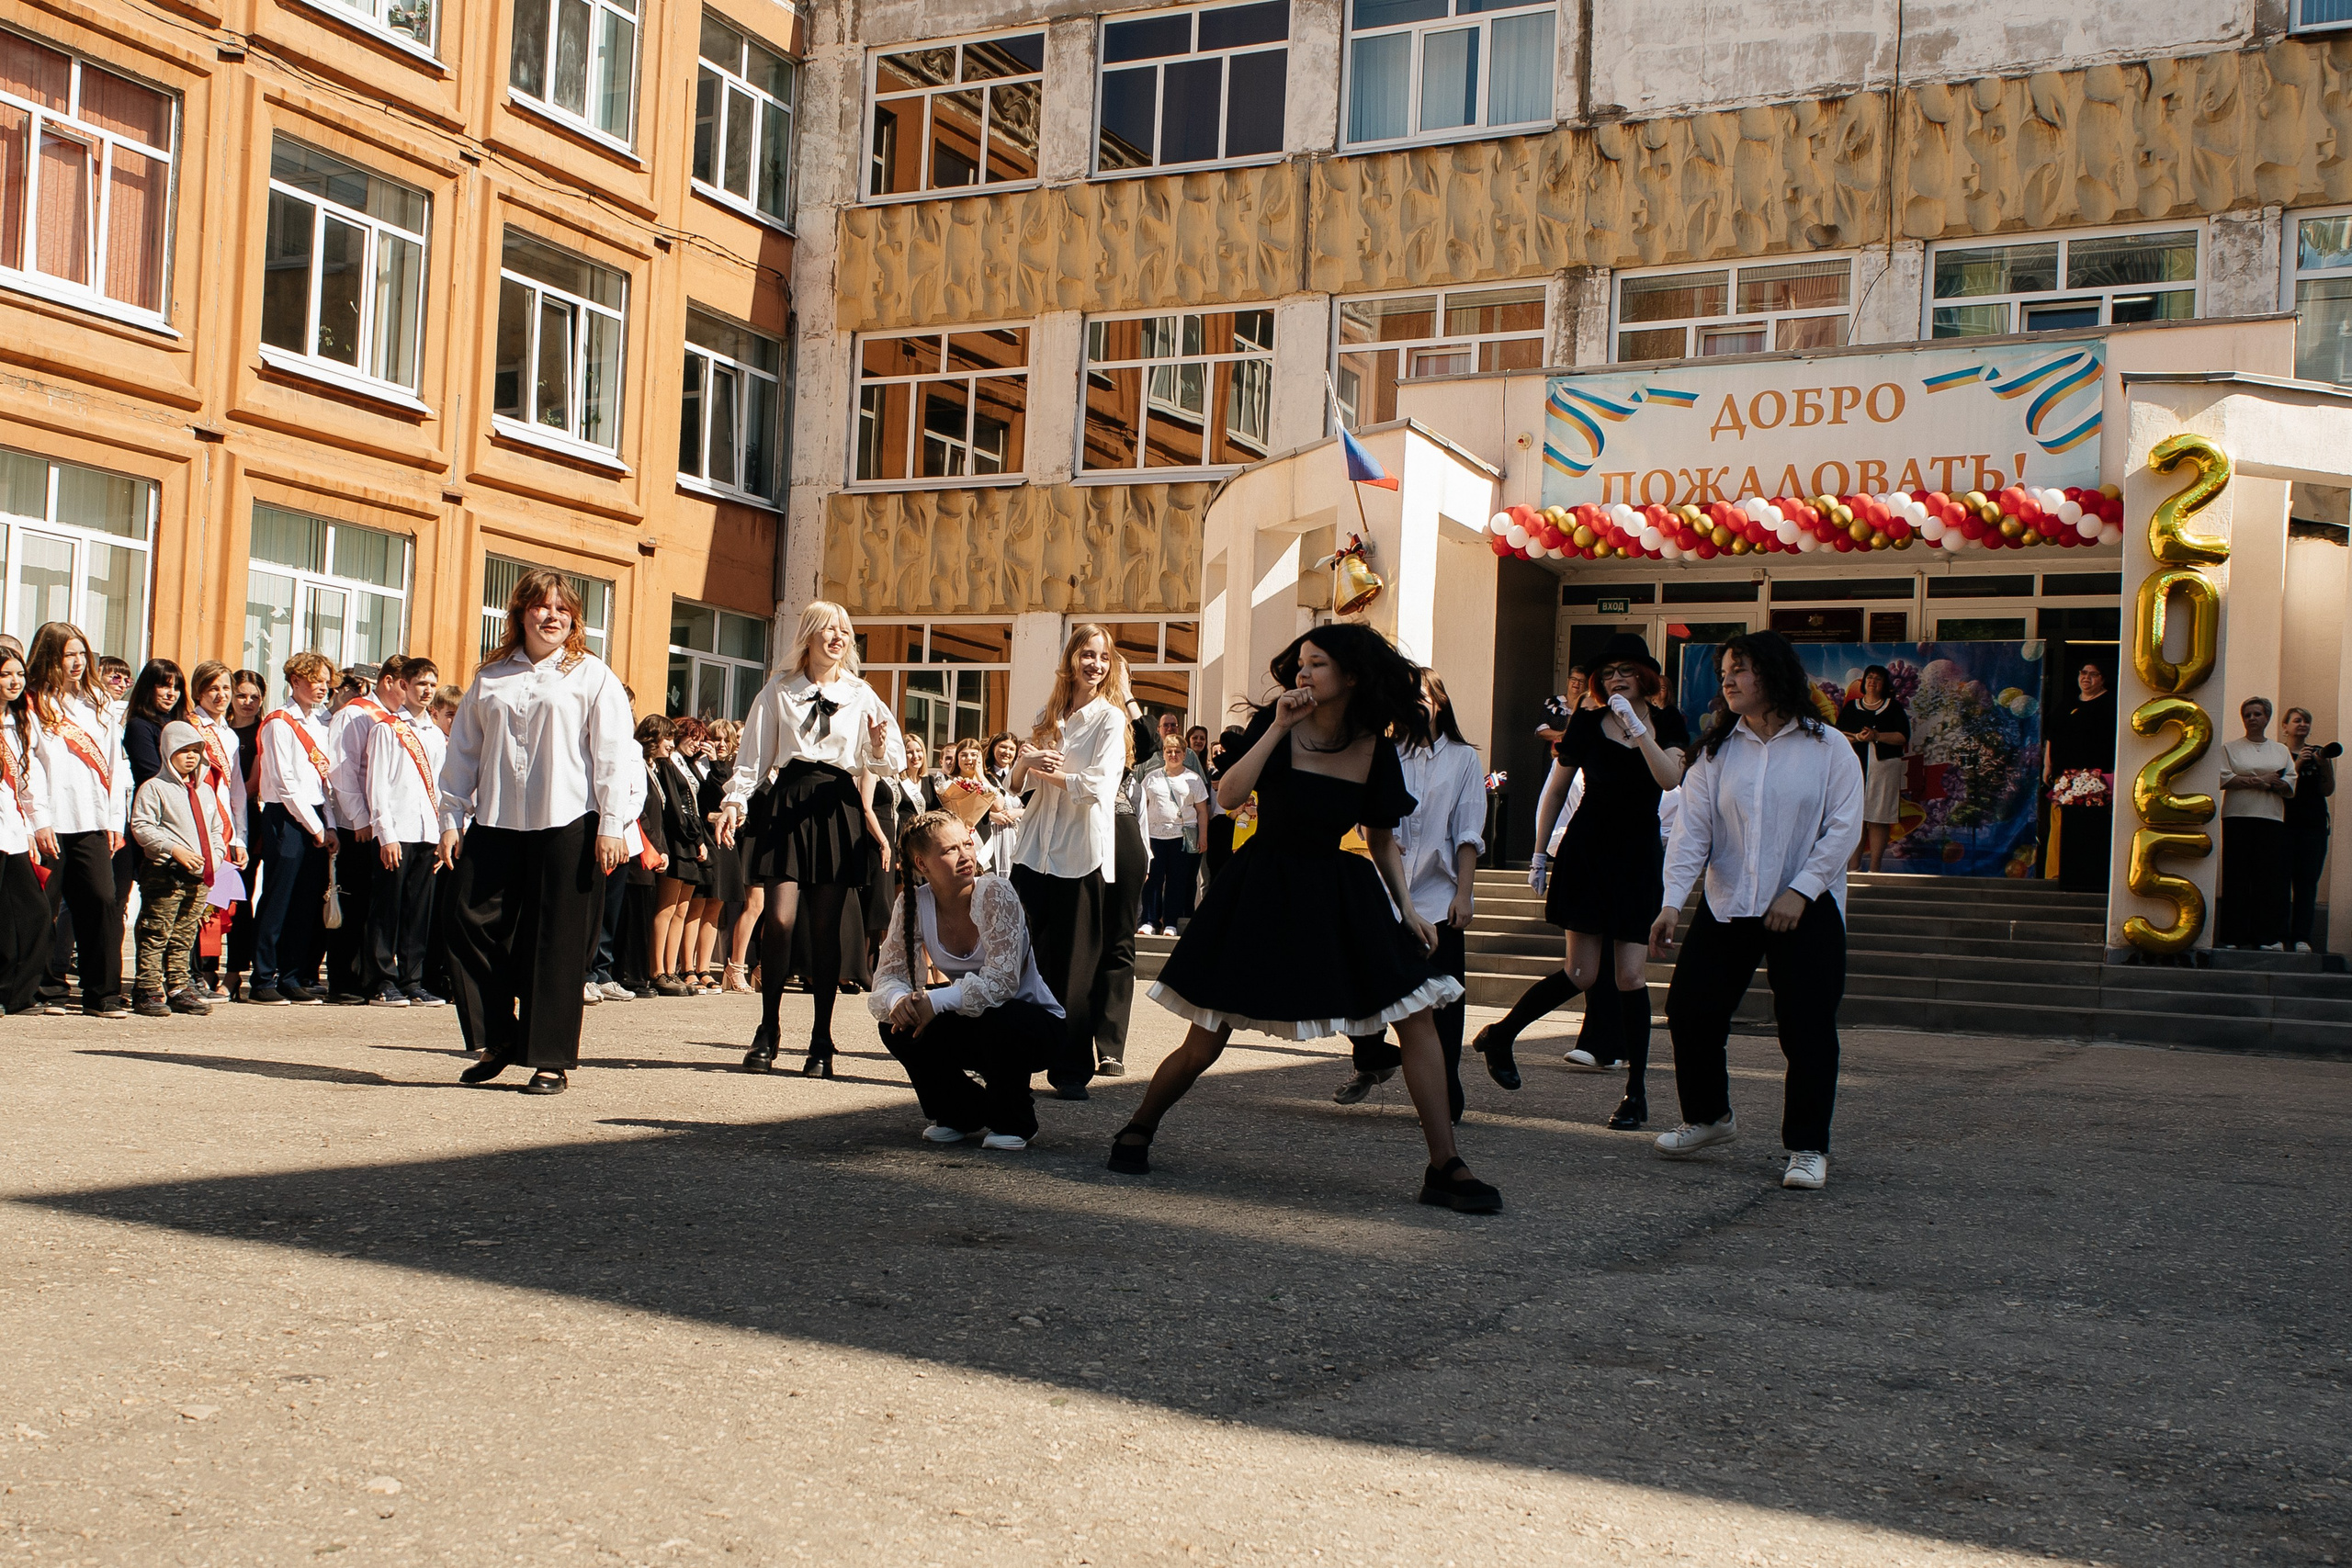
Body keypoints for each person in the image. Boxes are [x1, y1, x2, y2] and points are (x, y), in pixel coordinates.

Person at [1116, 624, 1501, 1214]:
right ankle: (1139, 1125)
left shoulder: (1374, 745)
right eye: (1301, 663)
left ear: (1350, 676)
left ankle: (1445, 1165)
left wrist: (1408, 912)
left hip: (1338, 888)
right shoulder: (1277, 725)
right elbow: (1228, 797)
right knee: (1207, 1036)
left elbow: (1380, 839)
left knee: (1417, 1016)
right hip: (1262, 885)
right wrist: (1278, 726)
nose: (1303, 673)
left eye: (1318, 664)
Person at [1648, 632, 1862, 1191]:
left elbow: (1844, 828)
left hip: (1805, 908)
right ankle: (1710, 1118)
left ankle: (1809, 1147)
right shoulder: (1717, 751)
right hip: (1730, 904)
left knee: (1807, 1028)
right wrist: (1672, 902)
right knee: (1691, 1010)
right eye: (1725, 670)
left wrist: (1803, 889)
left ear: (1771, 674)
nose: (1728, 679)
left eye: (1739, 668)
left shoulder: (1829, 747)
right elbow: (1692, 833)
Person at [443, 569, 642, 1094]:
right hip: (497, 821)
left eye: (562, 609)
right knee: (466, 920)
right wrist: (450, 816)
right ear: (521, 613)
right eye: (541, 606)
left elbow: (614, 756)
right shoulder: (490, 677)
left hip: (569, 823)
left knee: (555, 942)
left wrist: (613, 824)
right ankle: (500, 1038)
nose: (551, 616)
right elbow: (463, 751)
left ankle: (549, 1057)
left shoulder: (591, 675)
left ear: (573, 618)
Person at [718, 601, 901, 1077]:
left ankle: (822, 1038)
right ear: (809, 634)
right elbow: (753, 759)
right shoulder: (779, 690)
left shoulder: (861, 694)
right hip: (789, 803)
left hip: (838, 807)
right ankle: (769, 1027)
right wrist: (735, 803)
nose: (838, 637)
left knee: (825, 929)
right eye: (829, 629)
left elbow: (886, 763)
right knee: (778, 920)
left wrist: (878, 749)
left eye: (845, 630)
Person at [1336, 667, 1487, 1122]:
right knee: (1360, 984)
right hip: (1387, 890)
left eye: (1423, 695)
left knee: (1444, 1000)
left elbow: (1467, 830)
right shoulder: (1387, 753)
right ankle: (1372, 1057)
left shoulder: (1463, 759)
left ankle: (1445, 1087)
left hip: (1439, 895)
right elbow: (1373, 825)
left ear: (1440, 700)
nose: (1416, 704)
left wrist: (1465, 892)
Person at [870, 811, 1064, 1151]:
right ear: (922, 863)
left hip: (1033, 1026)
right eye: (950, 850)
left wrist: (935, 1001)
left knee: (996, 1016)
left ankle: (1015, 1120)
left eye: (967, 844)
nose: (965, 855)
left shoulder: (996, 892)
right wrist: (899, 1001)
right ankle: (961, 1113)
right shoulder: (913, 901)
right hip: (979, 1022)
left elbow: (1002, 983)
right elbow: (890, 974)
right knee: (896, 1025)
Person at [1469, 666, 1623, 1085]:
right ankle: (1506, 1033)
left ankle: (1629, 1082)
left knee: (1629, 973)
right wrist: (1539, 855)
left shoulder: (1654, 732)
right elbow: (1554, 794)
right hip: (1587, 856)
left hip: (1636, 859)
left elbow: (1671, 791)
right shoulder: (1584, 737)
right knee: (1584, 971)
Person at [1007, 625, 1134, 1098]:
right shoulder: (1048, 714)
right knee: (1020, 959)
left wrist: (1052, 769)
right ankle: (1012, 1056)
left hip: (1079, 856)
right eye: (1087, 655)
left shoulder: (1109, 721)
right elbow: (1017, 785)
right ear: (1072, 658)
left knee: (1075, 968)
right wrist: (1025, 764)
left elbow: (1098, 788)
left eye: (1103, 657)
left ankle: (1070, 1068)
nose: (1095, 665)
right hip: (1032, 853)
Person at [27, 622, 131, 1019]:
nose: (76, 662)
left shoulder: (98, 702)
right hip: (50, 821)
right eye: (68, 654)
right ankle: (45, 987)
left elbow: (115, 768)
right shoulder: (35, 703)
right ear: (50, 656)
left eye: (81, 654)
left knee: (103, 901)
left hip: (91, 819)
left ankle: (102, 992)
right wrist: (38, 818)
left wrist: (113, 821)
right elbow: (31, 764)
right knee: (44, 906)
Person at [247, 652, 340, 1006]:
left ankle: (291, 974)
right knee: (278, 897)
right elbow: (285, 783)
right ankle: (262, 977)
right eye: (315, 680)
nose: (322, 687)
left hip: (314, 814)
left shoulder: (320, 724)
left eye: (325, 680)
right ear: (295, 681)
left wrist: (328, 824)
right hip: (285, 816)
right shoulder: (279, 723)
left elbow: (323, 781)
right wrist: (316, 827)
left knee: (305, 900)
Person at [127, 720, 236, 1017]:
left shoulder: (204, 791)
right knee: (156, 929)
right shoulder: (155, 788)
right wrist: (172, 849)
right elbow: (141, 826)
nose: (190, 757)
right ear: (167, 752)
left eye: (195, 751)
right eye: (183, 750)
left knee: (184, 932)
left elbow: (216, 829)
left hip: (199, 874)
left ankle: (178, 985)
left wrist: (214, 857)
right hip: (166, 871)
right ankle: (148, 987)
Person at [362, 659, 443, 1008]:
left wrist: (443, 833)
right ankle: (381, 979)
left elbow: (441, 786)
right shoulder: (387, 729)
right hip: (397, 830)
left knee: (417, 909)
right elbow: (377, 785)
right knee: (386, 909)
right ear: (404, 686)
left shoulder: (436, 734)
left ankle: (413, 978)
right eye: (420, 683)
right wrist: (385, 832)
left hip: (427, 830)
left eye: (432, 685)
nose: (426, 691)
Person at [325, 662, 399, 1004]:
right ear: (387, 682)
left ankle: (364, 977)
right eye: (405, 684)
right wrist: (359, 819)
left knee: (372, 906)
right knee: (353, 903)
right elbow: (343, 771)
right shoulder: (354, 714)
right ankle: (342, 981)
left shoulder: (388, 718)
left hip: (378, 823)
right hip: (356, 824)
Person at [184, 661, 250, 1000]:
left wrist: (239, 836)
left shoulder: (228, 734)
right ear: (199, 692)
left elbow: (236, 789)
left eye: (226, 688)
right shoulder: (189, 727)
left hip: (224, 827)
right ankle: (192, 972)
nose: (221, 695)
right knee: (194, 903)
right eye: (213, 689)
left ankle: (208, 971)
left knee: (219, 902)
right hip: (197, 826)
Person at [2217, 696, 2296, 951]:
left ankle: (2266, 937)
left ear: (2267, 718)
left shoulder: (2281, 751)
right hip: (2237, 817)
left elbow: (2289, 783)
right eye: (2248, 714)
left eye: (2257, 714)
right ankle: (2233, 936)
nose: (2252, 719)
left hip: (2270, 818)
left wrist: (2265, 781)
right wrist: (2261, 780)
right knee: (2236, 876)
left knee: (2267, 878)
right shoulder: (2230, 748)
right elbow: (2225, 778)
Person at [0, 646, 54, 1016]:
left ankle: (18, 994)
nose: (14, 681)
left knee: (33, 911)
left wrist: (38, 825)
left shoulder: (22, 721)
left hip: (12, 830)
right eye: (5, 675)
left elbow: (28, 780)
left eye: (19, 674)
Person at [2044, 660, 2118, 893]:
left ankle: (2084, 874)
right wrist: (2047, 765)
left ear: (2103, 678)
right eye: (2083, 673)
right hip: (2065, 776)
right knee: (2060, 824)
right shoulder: (2067, 703)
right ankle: (2054, 874)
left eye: (2093, 674)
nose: (2086, 678)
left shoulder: (2110, 704)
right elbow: (2052, 735)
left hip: (2096, 778)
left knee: (2087, 828)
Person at [651, 716, 712, 995]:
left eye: (700, 739)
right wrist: (694, 837)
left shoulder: (686, 766)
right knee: (666, 907)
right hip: (676, 840)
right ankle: (657, 970)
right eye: (692, 737)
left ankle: (671, 969)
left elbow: (695, 805)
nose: (697, 743)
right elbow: (676, 808)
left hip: (690, 839)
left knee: (681, 908)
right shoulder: (667, 764)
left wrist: (698, 838)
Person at [1837, 664, 1909, 874]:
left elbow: (1902, 737)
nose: (1872, 681)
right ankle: (1853, 867)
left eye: (1877, 679)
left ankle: (1875, 867)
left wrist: (1877, 736)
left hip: (1884, 768)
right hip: (1855, 767)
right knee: (1856, 817)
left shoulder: (1893, 708)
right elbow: (1838, 734)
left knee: (1878, 817)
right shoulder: (1852, 707)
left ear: (1884, 684)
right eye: (1869, 677)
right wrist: (1858, 737)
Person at [221, 668, 267, 998]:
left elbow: (252, 783)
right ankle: (204, 968)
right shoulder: (218, 730)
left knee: (239, 894)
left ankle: (235, 970)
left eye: (254, 697)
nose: (248, 702)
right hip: (211, 815)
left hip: (247, 817)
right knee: (211, 897)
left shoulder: (263, 733)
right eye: (241, 695)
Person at [1136, 729, 1208, 936]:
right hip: (1154, 838)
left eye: (1177, 751)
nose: (1173, 755)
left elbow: (1202, 810)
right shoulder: (1151, 778)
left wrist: (1203, 836)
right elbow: (1142, 807)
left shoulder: (1193, 779)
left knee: (1177, 881)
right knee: (1153, 880)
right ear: (1163, 753)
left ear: (1185, 754)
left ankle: (1170, 922)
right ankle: (1149, 920)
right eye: (1169, 751)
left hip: (1182, 838)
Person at [700, 719, 754, 992]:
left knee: (716, 906)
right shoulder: (704, 767)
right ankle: (694, 968)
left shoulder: (732, 771)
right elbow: (709, 801)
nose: (720, 745)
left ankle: (703, 968)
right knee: (697, 907)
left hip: (728, 840)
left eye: (725, 740)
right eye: (715, 739)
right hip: (705, 841)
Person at [2282, 706, 2335, 953]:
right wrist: (2299, 762)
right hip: (2284, 824)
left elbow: (2327, 790)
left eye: (2306, 721)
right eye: (2297, 720)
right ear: (2285, 727)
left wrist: (2322, 764)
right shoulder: (2280, 753)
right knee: (2281, 882)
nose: (2302, 724)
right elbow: (2282, 784)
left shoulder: (2318, 753)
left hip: (2313, 826)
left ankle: (2302, 937)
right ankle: (2279, 935)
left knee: (2307, 884)